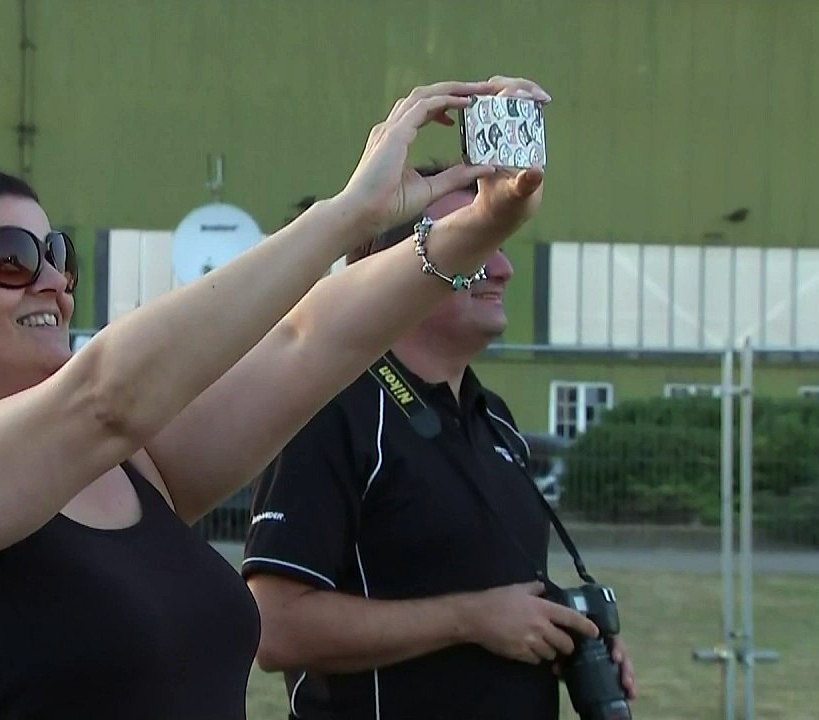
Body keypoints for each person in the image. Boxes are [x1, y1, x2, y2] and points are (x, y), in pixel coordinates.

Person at [0, 76, 551, 719]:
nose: (52, 280)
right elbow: (104, 395)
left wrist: (478, 226)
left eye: (57, 253)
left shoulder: (132, 469)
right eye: (10, 257)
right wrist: (347, 214)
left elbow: (309, 341)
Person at [241, 172, 637, 719]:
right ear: (400, 265)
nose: (503, 268)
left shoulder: (495, 419)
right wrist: (468, 619)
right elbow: (276, 627)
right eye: (475, 244)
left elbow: (494, 598)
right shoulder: (333, 408)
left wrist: (569, 633)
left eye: (499, 246)